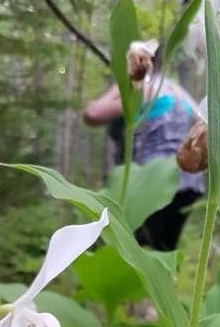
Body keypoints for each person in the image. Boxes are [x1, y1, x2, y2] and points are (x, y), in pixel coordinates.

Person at [82, 45, 205, 251]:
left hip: (152, 178)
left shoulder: (143, 86)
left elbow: (93, 114)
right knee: (163, 248)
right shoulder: (178, 90)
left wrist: (121, 84)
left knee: (127, 246)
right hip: (189, 182)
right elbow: (202, 120)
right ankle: (165, 278)